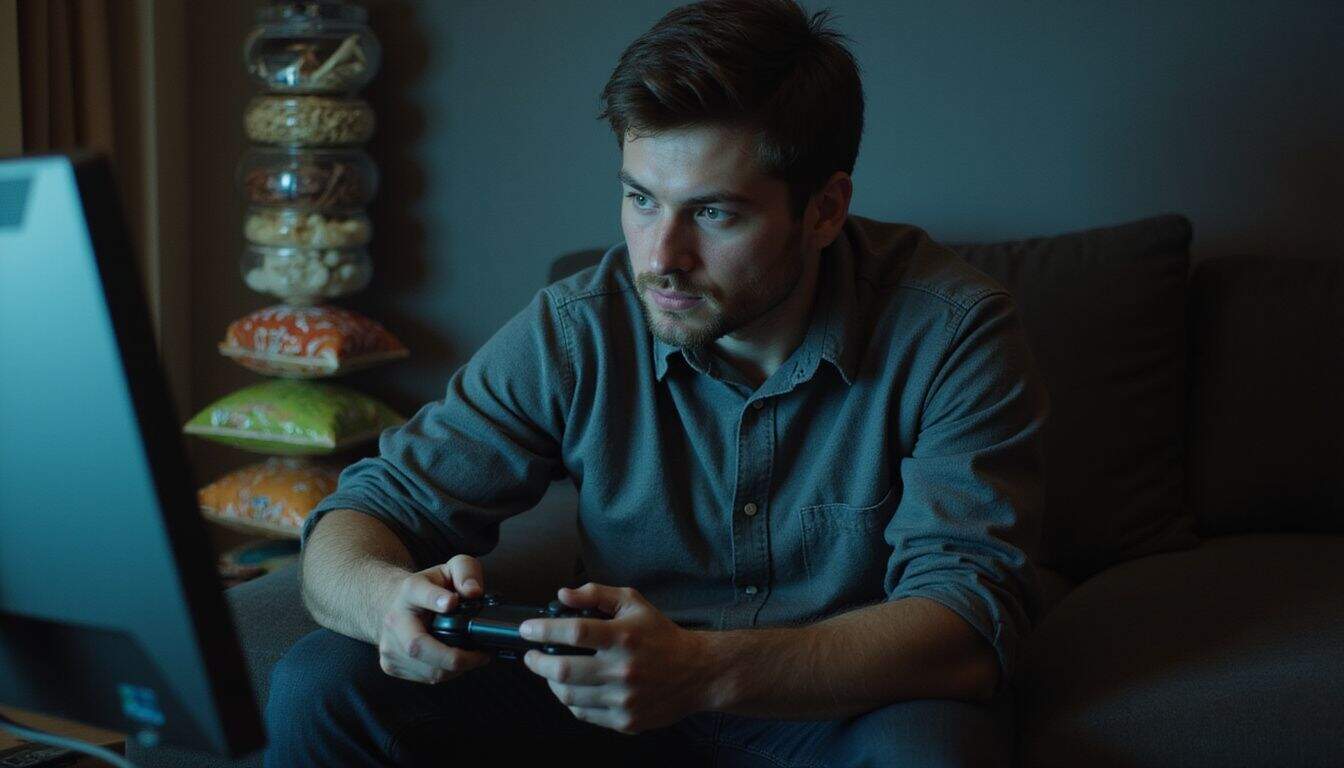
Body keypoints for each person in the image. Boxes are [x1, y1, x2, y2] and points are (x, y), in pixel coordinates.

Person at [267, 0, 1048, 765]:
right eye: (640, 199)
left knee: (934, 750)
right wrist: (386, 605)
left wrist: (703, 673)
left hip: (833, 710)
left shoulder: (953, 331)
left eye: (713, 214)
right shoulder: (579, 326)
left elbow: (967, 625)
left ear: (824, 210)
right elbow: (365, 511)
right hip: (605, 705)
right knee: (322, 681)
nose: (659, 257)